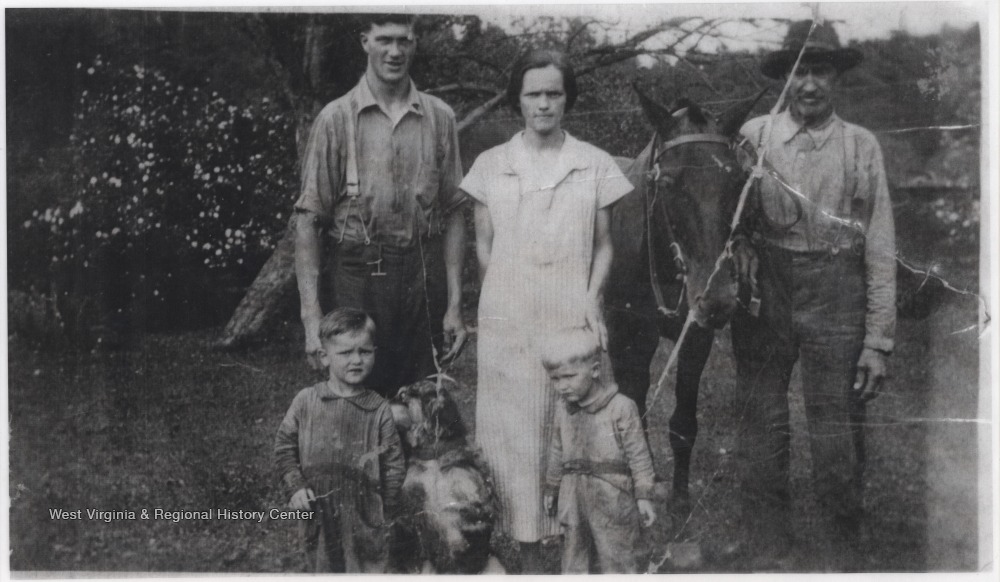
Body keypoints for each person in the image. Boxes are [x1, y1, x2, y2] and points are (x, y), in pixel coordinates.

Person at [459, 49, 633, 572]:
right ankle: (527, 550)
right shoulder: (490, 164)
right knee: (513, 435)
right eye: (533, 93)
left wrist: (591, 297)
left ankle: (582, 542)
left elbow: (604, 244)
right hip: (508, 318)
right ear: (517, 100)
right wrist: (502, 299)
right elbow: (483, 246)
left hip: (569, 313)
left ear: (567, 99)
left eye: (553, 93)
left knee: (572, 424)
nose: (543, 104)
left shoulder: (594, 162)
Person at [731, 20, 896, 570]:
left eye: (820, 71)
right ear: (785, 77)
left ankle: (840, 557)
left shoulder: (860, 145)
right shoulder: (752, 137)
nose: (808, 84)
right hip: (767, 293)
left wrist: (877, 340)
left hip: (836, 292)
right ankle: (766, 550)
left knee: (835, 432)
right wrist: (742, 249)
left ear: (836, 78)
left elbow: (879, 244)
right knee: (761, 424)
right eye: (799, 71)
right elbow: (723, 216)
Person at [294, 13, 467, 398]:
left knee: (422, 401)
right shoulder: (335, 118)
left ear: (415, 43)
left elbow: (455, 211)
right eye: (384, 40)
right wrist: (311, 318)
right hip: (357, 274)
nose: (395, 51)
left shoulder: (439, 117)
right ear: (365, 42)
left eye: (404, 40)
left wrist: (455, 304)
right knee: (357, 398)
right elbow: (308, 220)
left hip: (422, 274)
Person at [273, 307, 406, 572]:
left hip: (365, 515)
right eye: (345, 353)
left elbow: (394, 465)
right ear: (324, 357)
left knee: (367, 568)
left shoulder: (378, 409)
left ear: (374, 353)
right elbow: (284, 448)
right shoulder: (306, 401)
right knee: (323, 568)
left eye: (364, 352)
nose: (356, 360)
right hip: (319, 510)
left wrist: (387, 511)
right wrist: (295, 486)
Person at [541, 328, 657, 573]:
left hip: (611, 498)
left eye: (569, 376)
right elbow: (557, 450)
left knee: (616, 556)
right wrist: (552, 486)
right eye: (555, 379)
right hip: (573, 497)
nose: (562, 386)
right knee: (574, 556)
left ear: (594, 370)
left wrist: (644, 495)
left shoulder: (621, 408)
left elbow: (639, 456)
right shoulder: (563, 409)